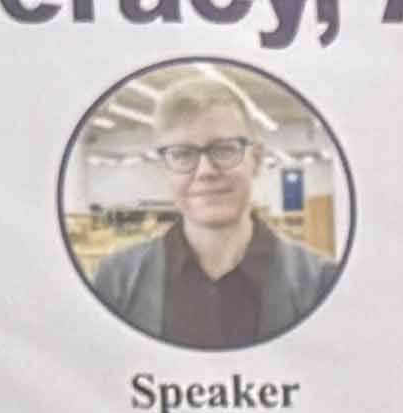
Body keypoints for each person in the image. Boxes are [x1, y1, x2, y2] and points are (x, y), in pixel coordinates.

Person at [84, 73, 335, 352]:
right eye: (182, 154)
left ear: (256, 159)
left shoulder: (320, 284)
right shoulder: (116, 281)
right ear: (165, 168)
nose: (205, 171)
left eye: (224, 150)